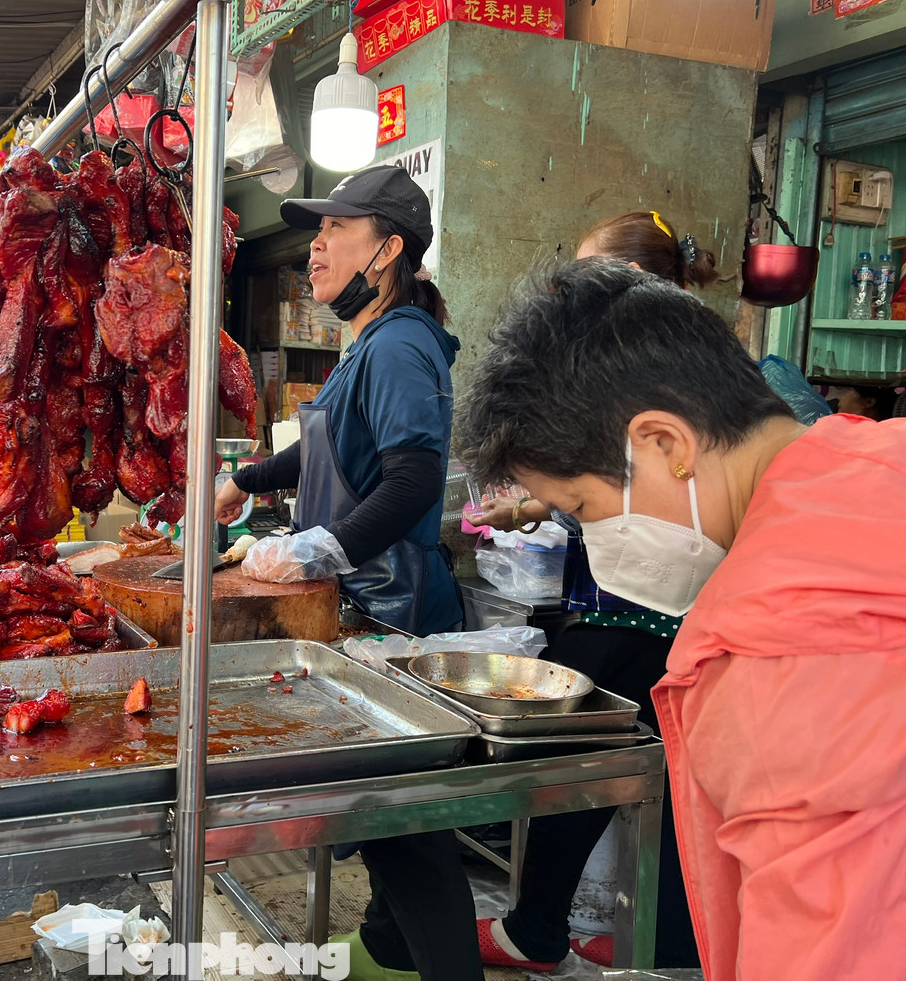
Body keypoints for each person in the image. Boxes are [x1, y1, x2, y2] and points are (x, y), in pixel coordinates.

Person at [455, 257, 906, 981]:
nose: (593, 542)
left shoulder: (772, 645)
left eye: (581, 509)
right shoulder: (876, 456)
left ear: (664, 443)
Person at [213, 165, 478, 981]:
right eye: (315, 230)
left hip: (395, 613)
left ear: (388, 248)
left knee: (408, 826)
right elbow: (328, 447)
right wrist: (251, 478)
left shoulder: (398, 343)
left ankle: (442, 968)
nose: (315, 245)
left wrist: (317, 549)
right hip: (364, 606)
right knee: (398, 813)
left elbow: (413, 481)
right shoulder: (371, 338)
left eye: (336, 229)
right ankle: (390, 953)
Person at [468, 211, 710, 971]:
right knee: (663, 783)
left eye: (587, 280)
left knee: (580, 772)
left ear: (635, 285)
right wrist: (536, 503)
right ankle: (664, 937)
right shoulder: (652, 367)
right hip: (655, 622)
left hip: (634, 621)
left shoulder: (663, 378)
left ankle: (537, 929)